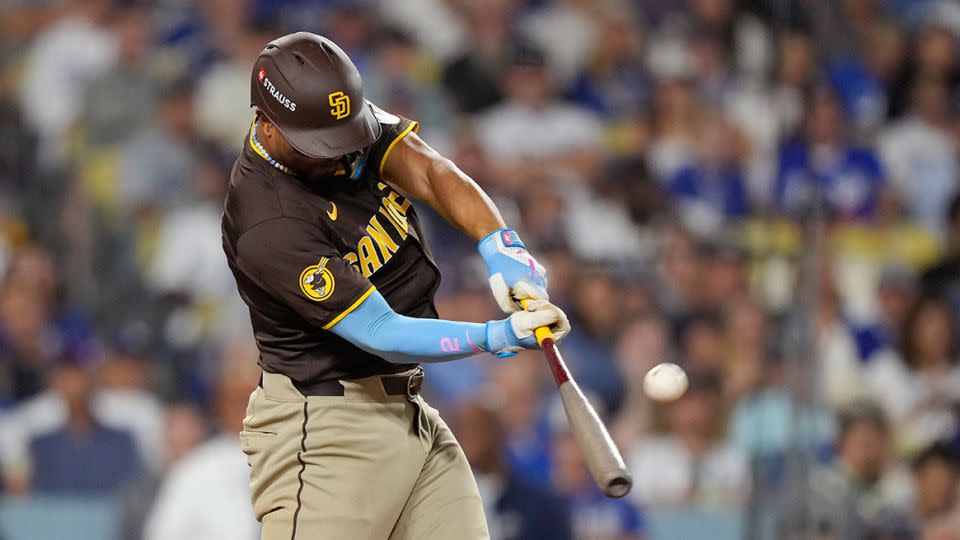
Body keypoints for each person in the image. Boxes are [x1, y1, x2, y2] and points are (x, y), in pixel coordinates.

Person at [221, 32, 570, 540]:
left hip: (408, 412)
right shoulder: (267, 221)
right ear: (266, 124)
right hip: (326, 431)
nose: (338, 156)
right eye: (320, 147)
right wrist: (495, 336)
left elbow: (429, 171)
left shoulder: (332, 121)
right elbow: (380, 330)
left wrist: (501, 245)